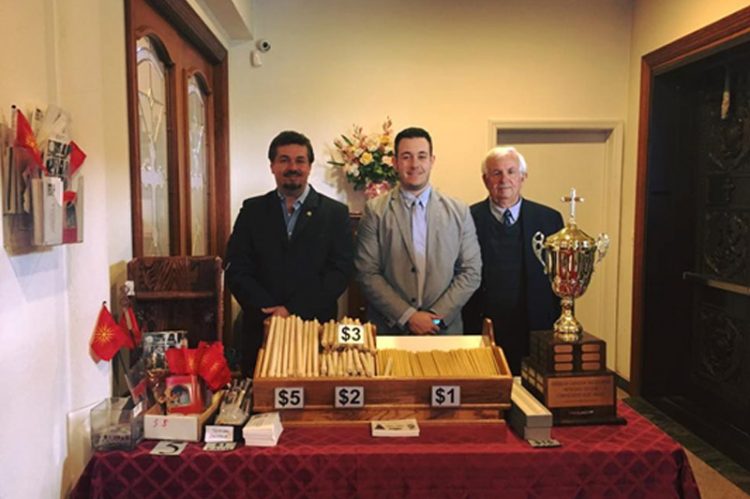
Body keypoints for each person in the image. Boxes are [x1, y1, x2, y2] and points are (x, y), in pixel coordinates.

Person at [225, 130, 354, 375]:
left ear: (310, 166)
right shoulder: (252, 210)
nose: (292, 167)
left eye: (299, 160)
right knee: (260, 405)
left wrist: (292, 310)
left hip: (315, 331)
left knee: (313, 406)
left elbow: (340, 272)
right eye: (284, 160)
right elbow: (236, 267)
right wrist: (268, 309)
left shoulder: (335, 213)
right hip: (261, 328)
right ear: (272, 166)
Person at [355, 127, 481, 335]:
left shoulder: (459, 211)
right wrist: (407, 316)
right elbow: (367, 272)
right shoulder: (375, 210)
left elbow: (471, 271)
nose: (415, 164)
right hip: (390, 330)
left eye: (421, 156)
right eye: (406, 157)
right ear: (395, 162)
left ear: (432, 160)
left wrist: (435, 319)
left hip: (444, 332)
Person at [463, 146, 564, 373]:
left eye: (511, 171)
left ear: (523, 177)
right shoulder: (466, 218)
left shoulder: (549, 219)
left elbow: (559, 280)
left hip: (535, 326)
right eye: (496, 173)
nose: (504, 179)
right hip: (481, 325)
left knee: (533, 395)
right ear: (485, 180)